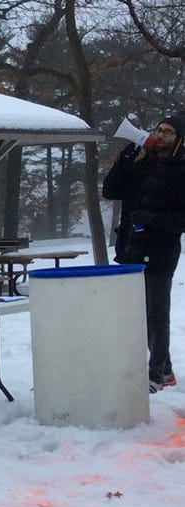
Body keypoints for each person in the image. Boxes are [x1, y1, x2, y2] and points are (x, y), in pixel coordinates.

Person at [102, 111, 185, 394]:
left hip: (160, 250)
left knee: (156, 314)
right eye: (159, 130)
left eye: (168, 132)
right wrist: (128, 154)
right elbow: (111, 190)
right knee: (136, 313)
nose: (160, 135)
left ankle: (156, 374)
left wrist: (154, 220)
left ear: (179, 140)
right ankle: (167, 370)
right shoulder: (142, 167)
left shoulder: (181, 171)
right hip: (130, 248)